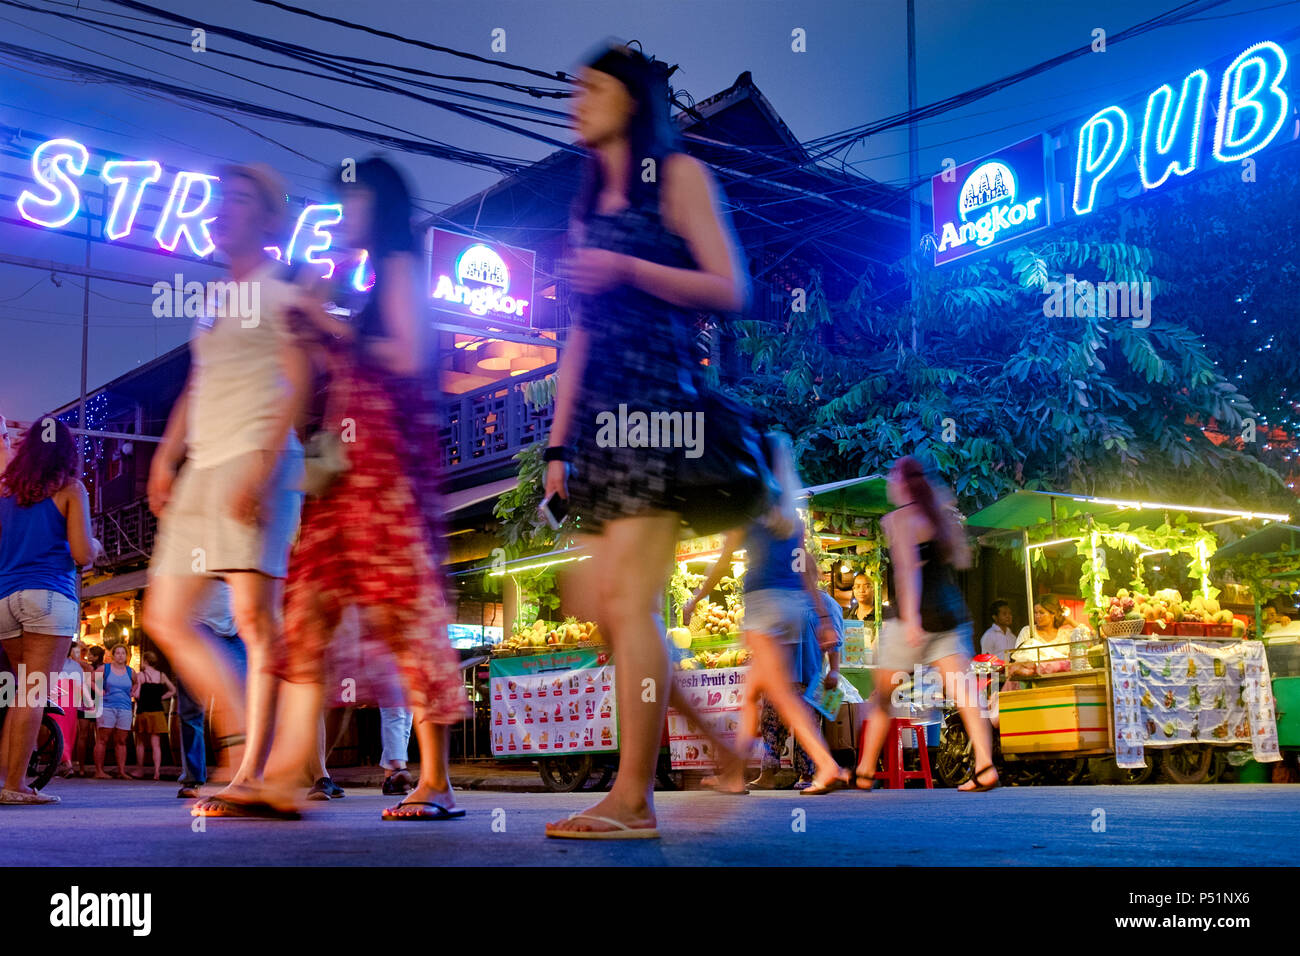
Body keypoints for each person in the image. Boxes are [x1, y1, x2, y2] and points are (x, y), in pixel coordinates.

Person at [541, 44, 753, 839]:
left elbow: (730, 287)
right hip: (599, 421)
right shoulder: (590, 206)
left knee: (629, 604)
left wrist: (627, 268)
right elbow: (579, 334)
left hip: (660, 408)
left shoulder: (682, 177)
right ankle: (722, 745)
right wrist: (558, 448)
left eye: (589, 89)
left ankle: (634, 801)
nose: (575, 102)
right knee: (605, 609)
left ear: (630, 99)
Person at [269, 155, 467, 822]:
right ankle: (285, 770)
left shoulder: (403, 268)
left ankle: (435, 780)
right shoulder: (375, 278)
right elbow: (362, 357)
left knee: (402, 614)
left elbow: (406, 357)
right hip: (349, 464)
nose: (341, 215)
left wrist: (328, 325)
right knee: (309, 603)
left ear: (375, 206)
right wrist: (323, 329)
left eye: (350, 202)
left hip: (384, 470)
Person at [142, 162, 310, 818]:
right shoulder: (216, 298)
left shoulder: (281, 285)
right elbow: (197, 382)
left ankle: (253, 770)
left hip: (254, 458)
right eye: (218, 200)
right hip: (202, 468)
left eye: (237, 200)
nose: (219, 210)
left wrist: (267, 467)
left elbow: (298, 374)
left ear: (268, 220)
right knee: (163, 615)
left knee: (253, 620)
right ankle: (247, 747)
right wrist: (165, 455)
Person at [684, 434, 850, 796]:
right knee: (755, 692)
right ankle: (733, 775)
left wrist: (696, 598)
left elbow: (725, 560)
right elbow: (806, 569)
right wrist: (822, 616)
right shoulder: (791, 513)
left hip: (762, 605)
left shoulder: (748, 504)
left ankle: (826, 765)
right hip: (792, 607)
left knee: (780, 694)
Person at [855, 456, 998, 793]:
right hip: (950, 615)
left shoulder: (899, 519)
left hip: (913, 622)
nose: (890, 481)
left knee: (882, 696)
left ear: (902, 482)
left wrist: (914, 621)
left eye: (893, 476)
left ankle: (863, 772)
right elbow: (963, 559)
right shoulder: (940, 516)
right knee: (965, 695)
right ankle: (986, 765)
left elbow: (907, 571)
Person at [0, 416, 101, 805]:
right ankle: (15, 786)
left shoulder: (6, 492)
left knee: (20, 693)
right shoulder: (71, 489)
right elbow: (79, 554)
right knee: (33, 694)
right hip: (48, 598)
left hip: (6, 598)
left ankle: (12, 780)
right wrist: (94, 544)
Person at [174, 580, 247, 799]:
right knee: (191, 711)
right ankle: (194, 778)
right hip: (197, 629)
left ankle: (246, 775)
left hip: (234, 631)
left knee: (243, 704)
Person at [94, 644, 138, 780]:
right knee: (102, 739)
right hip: (107, 706)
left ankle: (121, 771)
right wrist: (98, 690)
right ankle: (99, 771)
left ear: (126, 656)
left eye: (123, 653)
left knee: (121, 741)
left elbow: (136, 683)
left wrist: (133, 692)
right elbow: (89, 680)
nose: (120, 655)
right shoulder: (105, 669)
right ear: (113, 655)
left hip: (125, 708)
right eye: (117, 653)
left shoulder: (131, 672)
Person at [133, 651, 176, 781]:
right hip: (157, 711)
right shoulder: (161, 675)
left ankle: (140, 770)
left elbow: (137, 695)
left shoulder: (141, 676)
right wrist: (161, 697)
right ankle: (156, 772)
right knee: (156, 744)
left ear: (145, 661)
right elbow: (173, 690)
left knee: (140, 743)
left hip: (143, 711)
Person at [75, 643, 105, 775]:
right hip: (98, 701)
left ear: (96, 656)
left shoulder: (87, 667)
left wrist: (83, 648)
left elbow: (76, 659)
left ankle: (81, 768)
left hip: (86, 701)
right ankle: (99, 769)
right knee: (98, 738)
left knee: (83, 736)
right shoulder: (104, 668)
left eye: (90, 654)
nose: (88, 656)